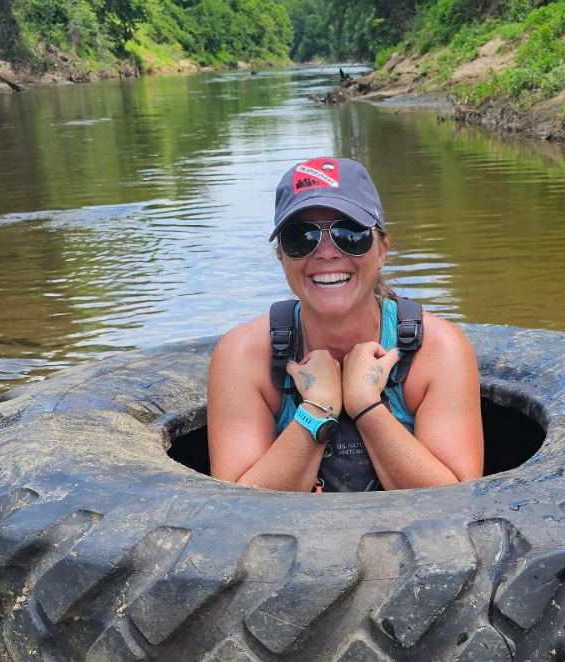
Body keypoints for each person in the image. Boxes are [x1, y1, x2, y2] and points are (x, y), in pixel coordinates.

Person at [207, 157, 483, 492]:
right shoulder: (242, 356)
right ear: (281, 256)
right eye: (300, 237)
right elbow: (237, 506)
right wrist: (316, 409)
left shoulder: (440, 349)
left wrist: (366, 404)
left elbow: (460, 501)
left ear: (382, 249)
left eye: (349, 234)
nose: (326, 252)